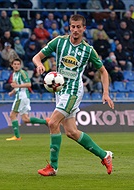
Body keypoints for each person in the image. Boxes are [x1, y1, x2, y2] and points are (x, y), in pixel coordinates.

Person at [32, 14, 114, 176]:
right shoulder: (59, 42)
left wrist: (106, 93)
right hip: (60, 91)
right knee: (71, 132)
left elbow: (103, 72)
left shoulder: (88, 50)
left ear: (84, 28)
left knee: (53, 123)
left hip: (73, 92)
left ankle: (53, 167)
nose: (75, 30)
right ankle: (105, 155)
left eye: (78, 27)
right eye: (72, 26)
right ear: (69, 27)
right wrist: (39, 64)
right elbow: (37, 57)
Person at [6, 58, 49, 141]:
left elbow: (29, 84)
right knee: (26, 119)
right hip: (23, 97)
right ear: (12, 65)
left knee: (12, 115)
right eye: (14, 64)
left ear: (20, 65)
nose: (16, 66)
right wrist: (12, 92)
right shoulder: (14, 74)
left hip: (21, 97)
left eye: (18, 64)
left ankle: (17, 136)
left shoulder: (22, 73)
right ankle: (46, 121)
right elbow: (17, 86)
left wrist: (17, 87)